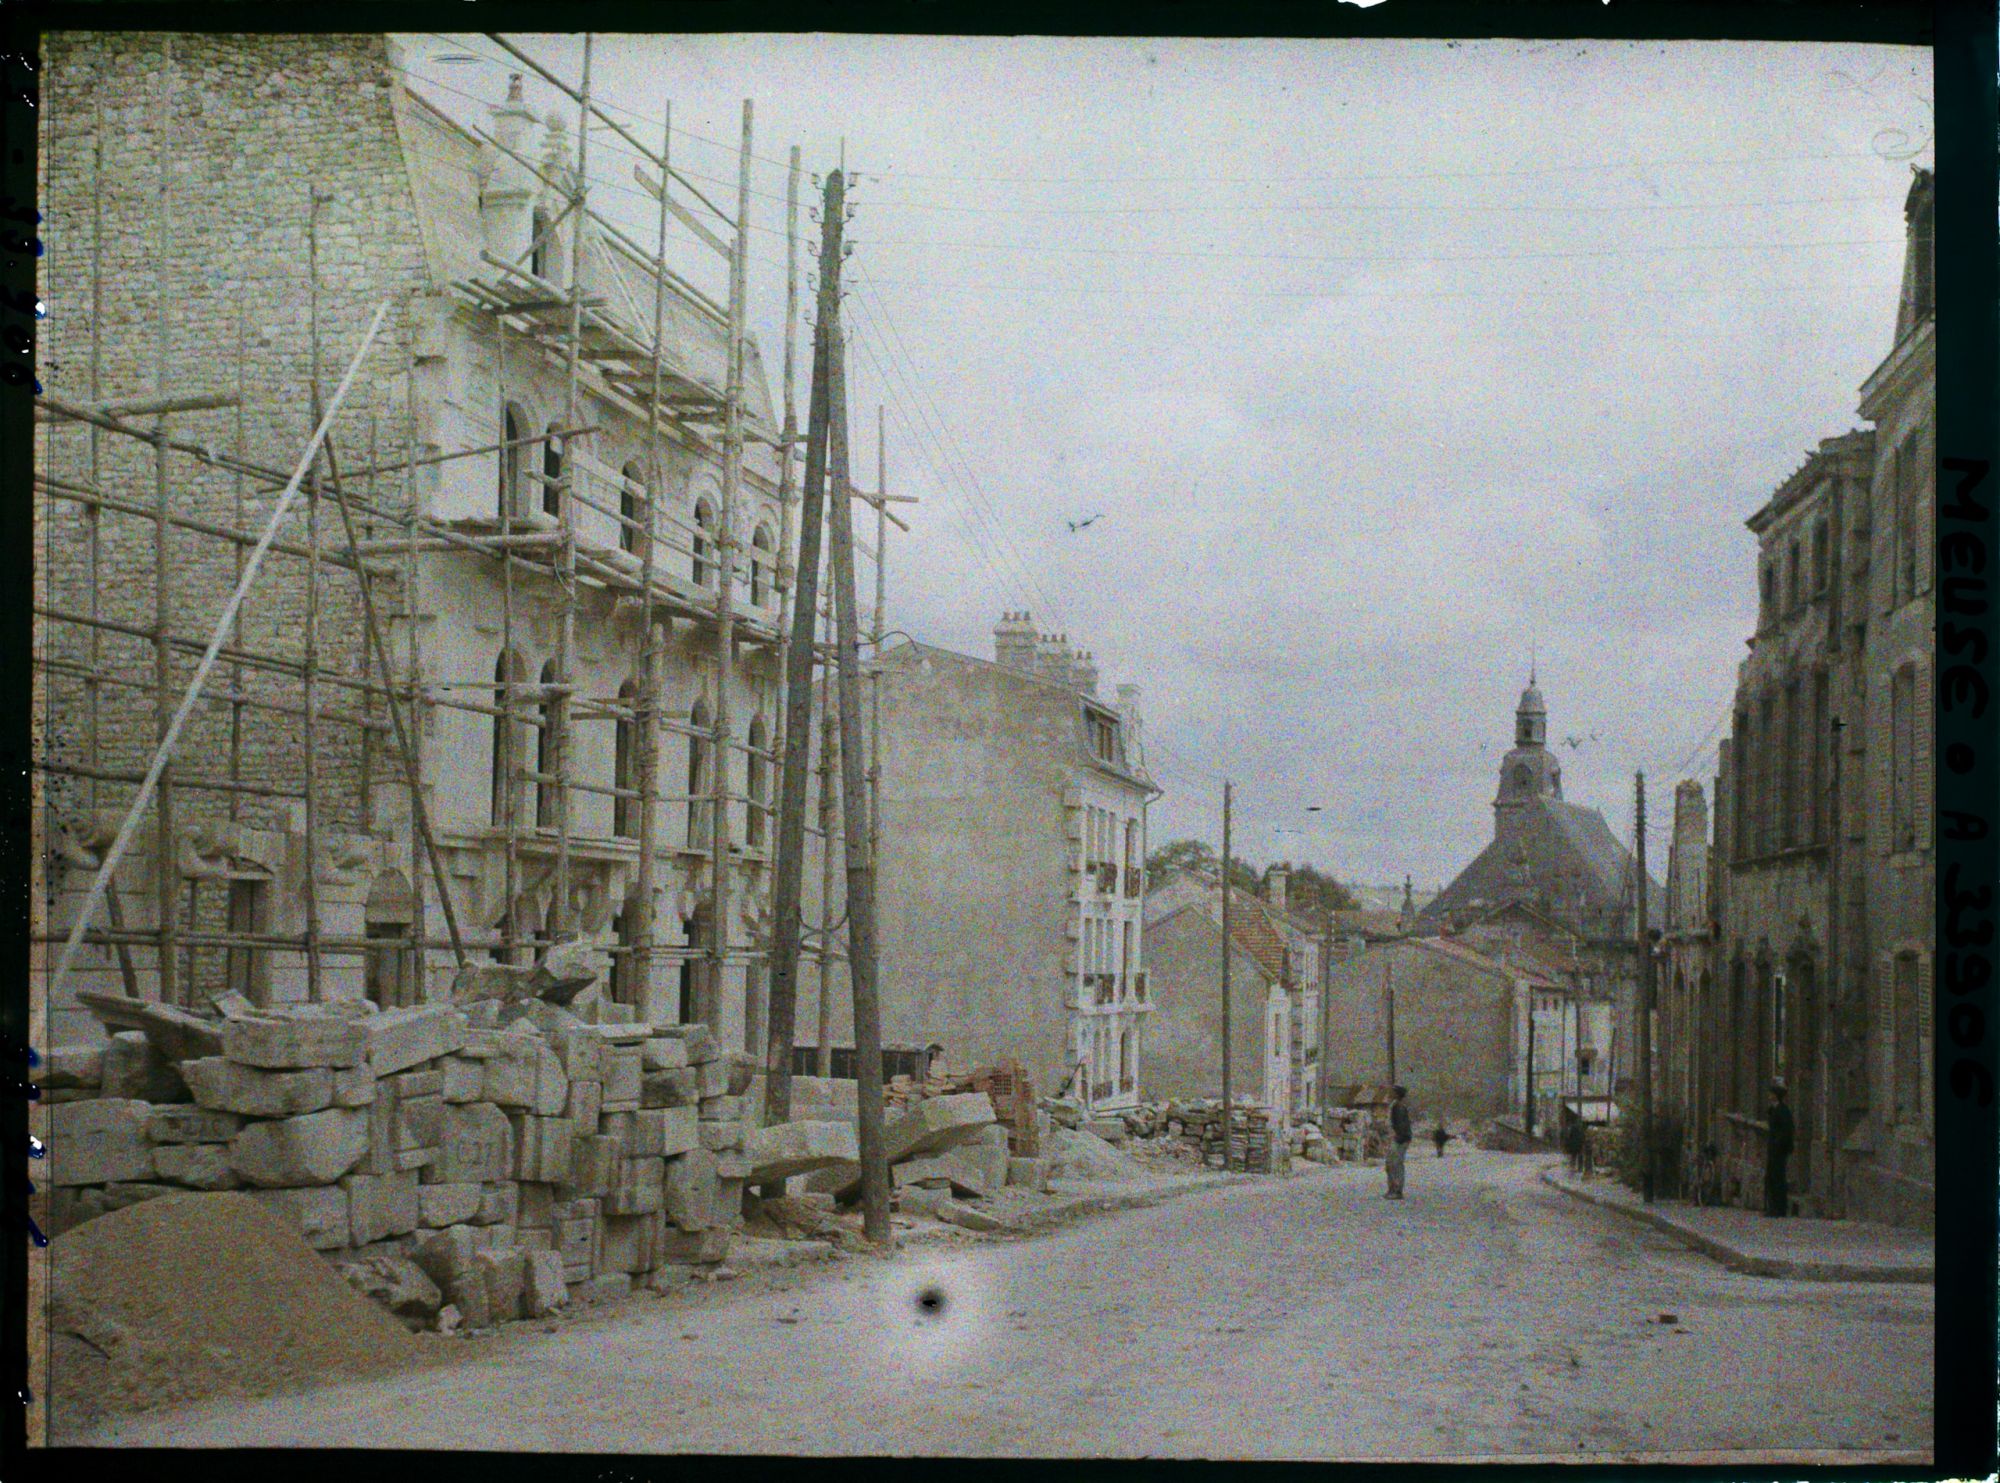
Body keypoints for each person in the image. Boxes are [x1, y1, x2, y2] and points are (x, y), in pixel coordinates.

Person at [1764, 1082, 1794, 1217]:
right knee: (1771, 1177)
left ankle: (1779, 1208)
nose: (1769, 1096)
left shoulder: (1783, 1110)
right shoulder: (1774, 1109)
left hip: (1779, 1150)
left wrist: (1778, 1144)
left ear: (1776, 1095)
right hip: (1773, 1149)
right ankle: (1772, 1207)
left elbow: (1786, 1130)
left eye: (1771, 1093)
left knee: (1778, 1178)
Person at [1385, 1086, 1412, 1198]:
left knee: (1396, 1164)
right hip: (1397, 1138)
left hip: (1400, 1139)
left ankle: (1397, 1191)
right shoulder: (1395, 1105)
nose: (1390, 1093)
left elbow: (1401, 1125)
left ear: (1397, 1094)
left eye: (1393, 1092)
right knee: (1390, 1164)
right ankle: (1392, 1189)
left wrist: (1398, 1138)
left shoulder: (1399, 1107)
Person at [1562, 1107, 1586, 1174]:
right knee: (1579, 1156)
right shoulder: (1581, 1128)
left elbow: (1569, 1137)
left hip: (1574, 1144)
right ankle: (1579, 1168)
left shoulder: (1572, 1128)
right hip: (1579, 1144)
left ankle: (1573, 1167)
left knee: (1574, 1156)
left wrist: (1567, 1144)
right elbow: (1582, 1136)